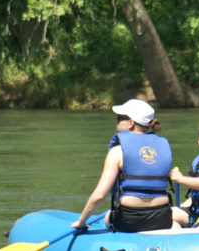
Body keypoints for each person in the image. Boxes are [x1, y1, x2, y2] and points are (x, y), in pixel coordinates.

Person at [71, 98, 175, 232]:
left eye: (119, 118)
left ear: (131, 123)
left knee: (108, 216)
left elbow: (99, 196)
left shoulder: (117, 152)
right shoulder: (162, 146)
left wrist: (81, 221)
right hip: (162, 218)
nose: (116, 123)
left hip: (130, 219)